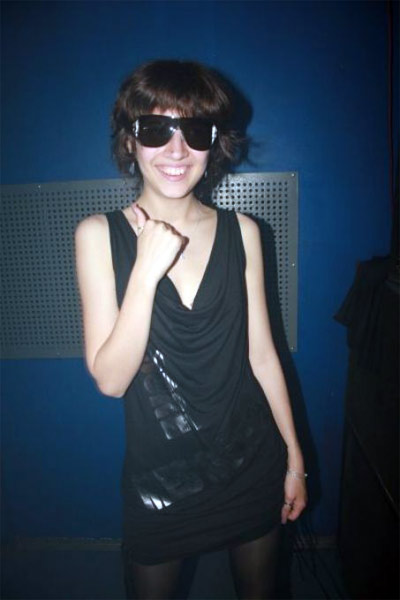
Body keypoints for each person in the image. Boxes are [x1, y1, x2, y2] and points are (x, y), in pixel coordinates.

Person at [75, 59, 307, 600]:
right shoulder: (97, 235)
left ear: (214, 143)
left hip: (251, 462)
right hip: (162, 482)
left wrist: (295, 457)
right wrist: (145, 272)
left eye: (195, 132)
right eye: (157, 130)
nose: (177, 150)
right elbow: (111, 380)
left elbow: (262, 355)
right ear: (130, 141)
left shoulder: (243, 232)